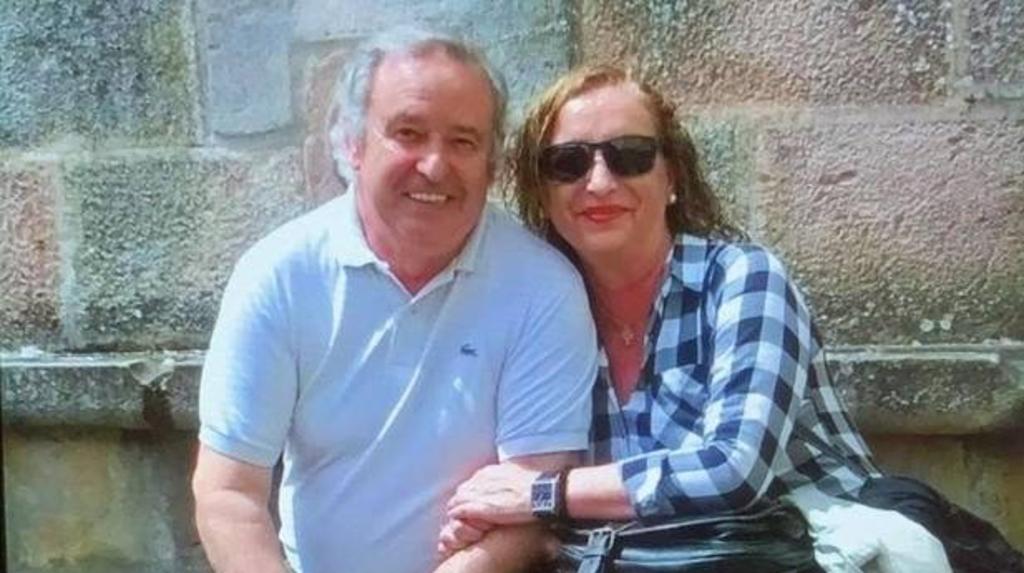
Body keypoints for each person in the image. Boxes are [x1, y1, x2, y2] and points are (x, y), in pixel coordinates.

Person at [441, 64, 952, 571]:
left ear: (673, 178)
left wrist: (545, 494)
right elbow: (507, 481)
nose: (598, 182)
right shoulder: (539, 311)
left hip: (805, 552)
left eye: (630, 156)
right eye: (568, 163)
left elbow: (733, 468)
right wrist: (485, 514)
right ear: (542, 191)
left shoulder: (742, 279)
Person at [191, 28, 598, 573]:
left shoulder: (542, 288)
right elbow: (228, 494)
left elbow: (530, 505)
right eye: (409, 133)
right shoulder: (280, 276)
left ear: (492, 164)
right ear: (353, 144)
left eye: (463, 142)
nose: (434, 165)